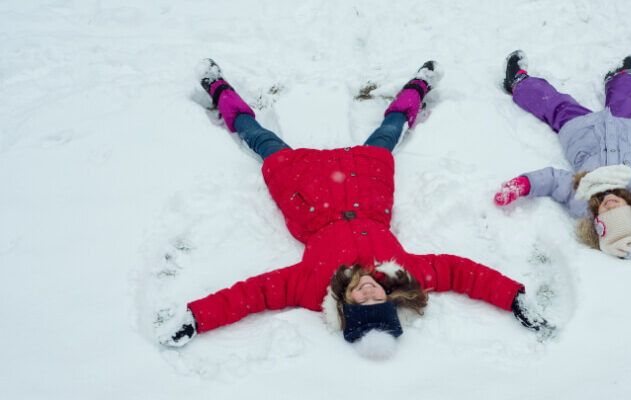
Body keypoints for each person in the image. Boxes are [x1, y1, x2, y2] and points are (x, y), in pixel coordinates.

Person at [158, 59, 552, 356]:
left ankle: (216, 86)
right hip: (366, 191)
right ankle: (419, 85)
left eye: (360, 300)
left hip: (308, 194)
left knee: (259, 139)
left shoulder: (314, 286)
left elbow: (254, 294)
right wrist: (514, 297)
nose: (368, 291)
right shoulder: (404, 275)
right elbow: (462, 273)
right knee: (389, 132)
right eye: (377, 299)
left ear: (345, 307)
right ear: (389, 300)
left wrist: (196, 318)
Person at [494, 51, 631, 260]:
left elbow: (554, 180)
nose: (607, 204)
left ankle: (519, 83)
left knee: (555, 105)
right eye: (616, 208)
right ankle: (620, 77)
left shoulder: (583, 196)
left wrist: (524, 184)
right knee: (625, 101)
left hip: (586, 135)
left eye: (603, 212)